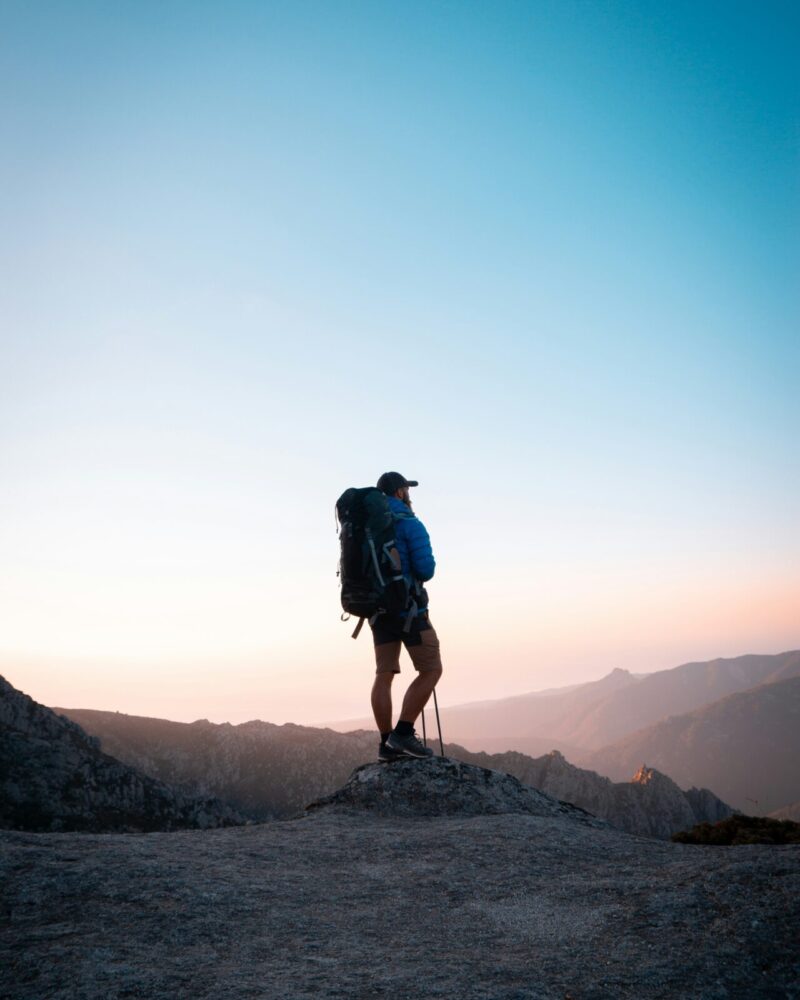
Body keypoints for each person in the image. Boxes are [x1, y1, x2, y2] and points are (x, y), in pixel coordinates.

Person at [370, 471, 443, 761]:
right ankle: (403, 733)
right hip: (410, 610)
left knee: (384, 674)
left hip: (377, 612)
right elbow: (426, 570)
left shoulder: (368, 526)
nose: (408, 493)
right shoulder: (410, 523)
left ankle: (386, 743)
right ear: (400, 492)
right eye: (406, 489)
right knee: (431, 669)